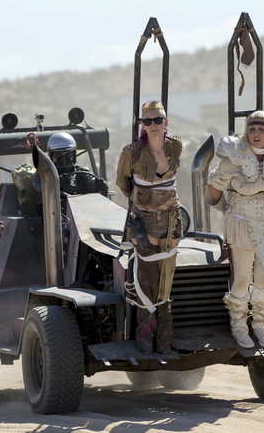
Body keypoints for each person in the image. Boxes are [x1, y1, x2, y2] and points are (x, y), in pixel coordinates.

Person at [205, 110, 264, 350]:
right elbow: (212, 191)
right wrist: (228, 208)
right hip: (241, 223)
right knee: (242, 278)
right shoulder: (233, 156)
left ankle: (259, 325)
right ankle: (239, 327)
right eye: (252, 128)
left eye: (261, 128)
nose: (256, 133)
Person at [116, 100, 183, 354]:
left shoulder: (175, 147)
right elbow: (124, 184)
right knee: (146, 280)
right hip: (143, 222)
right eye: (148, 121)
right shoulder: (131, 153)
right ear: (142, 125)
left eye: (158, 120)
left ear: (166, 122)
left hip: (170, 221)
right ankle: (145, 336)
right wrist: (145, 201)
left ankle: (164, 339)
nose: (154, 125)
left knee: (166, 279)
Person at [47, 132, 108, 197]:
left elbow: (91, 185)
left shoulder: (82, 175)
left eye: (68, 156)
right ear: (51, 157)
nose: (63, 161)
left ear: (73, 156)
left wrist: (98, 187)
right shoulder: (45, 177)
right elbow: (38, 192)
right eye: (58, 156)